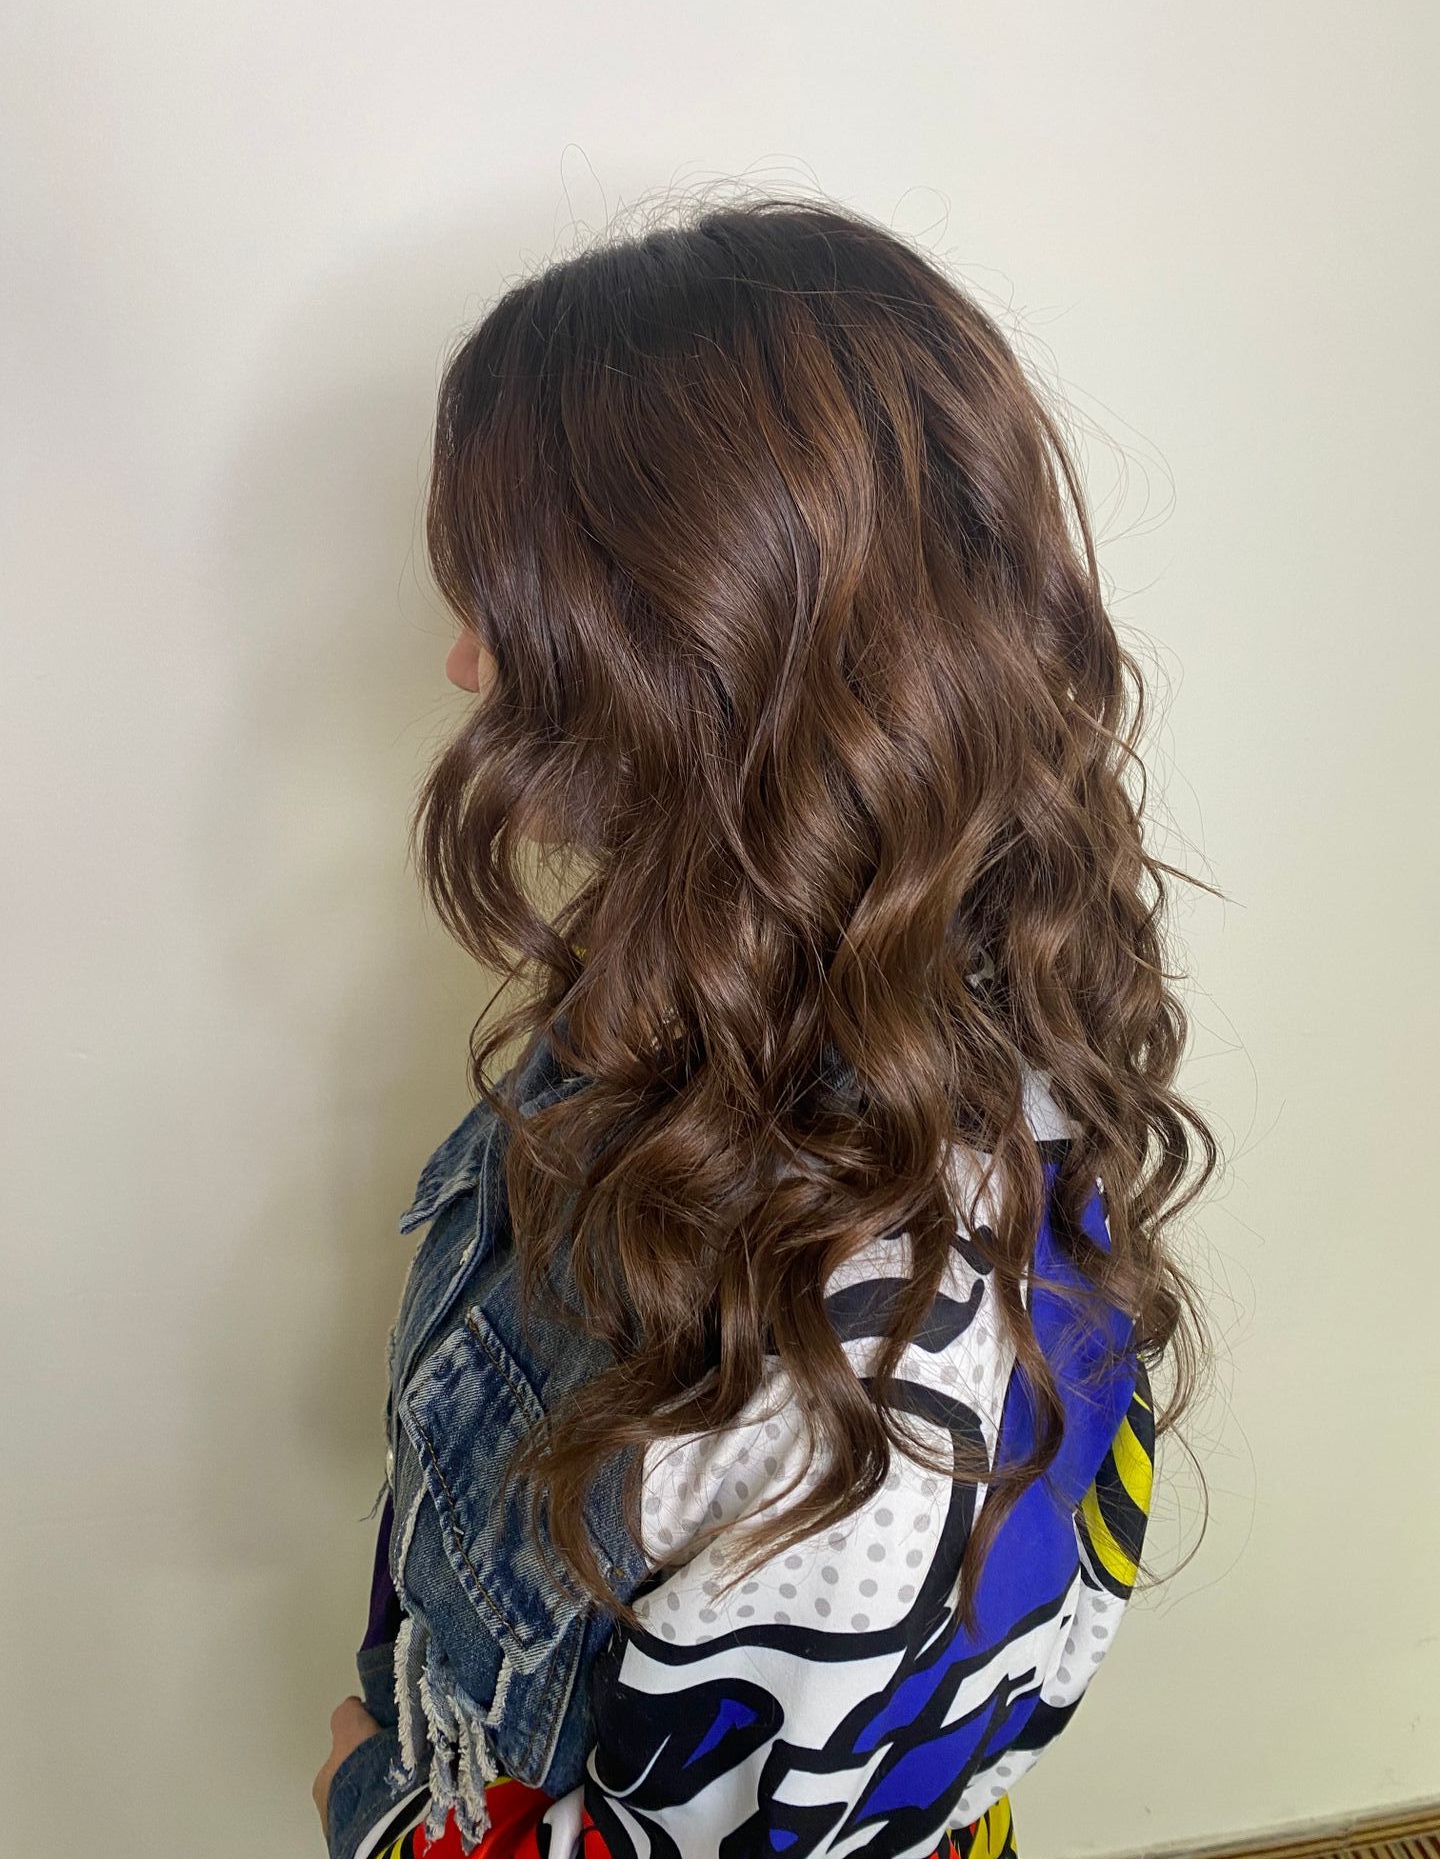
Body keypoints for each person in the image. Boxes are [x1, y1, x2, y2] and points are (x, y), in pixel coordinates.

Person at [313, 196, 1216, 1859]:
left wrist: (368, 1807)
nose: (460, 663)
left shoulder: (873, 1368)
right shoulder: (729, 967)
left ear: (719, 652)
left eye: (512, 604)